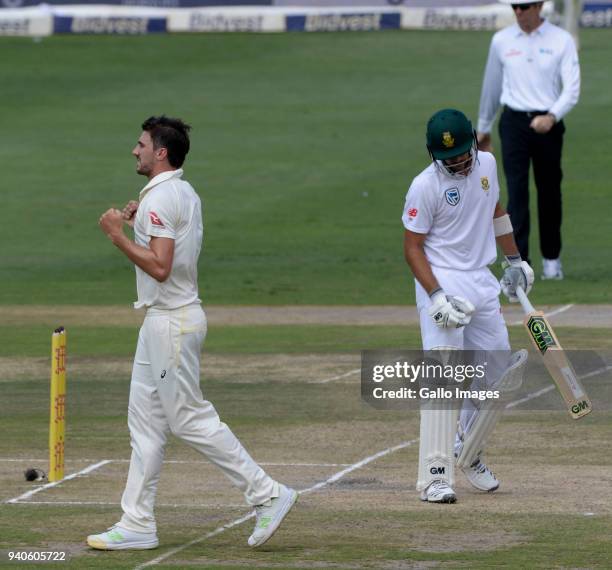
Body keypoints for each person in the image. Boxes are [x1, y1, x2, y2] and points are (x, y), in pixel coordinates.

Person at [88, 116, 297, 550]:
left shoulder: (161, 198)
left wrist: (116, 237)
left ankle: (267, 493)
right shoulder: (178, 191)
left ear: (161, 152)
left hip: (173, 321)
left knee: (187, 417)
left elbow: (162, 268)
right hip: (162, 321)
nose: (135, 150)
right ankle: (137, 523)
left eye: (141, 144)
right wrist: (136, 227)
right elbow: (169, 253)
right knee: (144, 424)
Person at [402, 108, 534, 503]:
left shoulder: (487, 165)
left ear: (474, 145)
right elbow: (412, 248)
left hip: (480, 279)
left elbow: (495, 211)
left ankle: (469, 449)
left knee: (496, 377)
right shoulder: (424, 187)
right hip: (442, 280)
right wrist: (436, 297)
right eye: (449, 158)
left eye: (462, 154)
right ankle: (434, 479)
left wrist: (514, 262)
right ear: (433, 155)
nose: (458, 162)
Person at [477, 0, 580, 280]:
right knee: (516, 193)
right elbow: (492, 86)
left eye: (524, 6)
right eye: (514, 7)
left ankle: (552, 260)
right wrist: (483, 128)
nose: (519, 13)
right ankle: (518, 264)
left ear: (539, 6)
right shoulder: (501, 40)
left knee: (549, 193)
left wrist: (552, 116)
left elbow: (572, 88)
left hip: (548, 123)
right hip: (513, 123)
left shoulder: (561, 40)